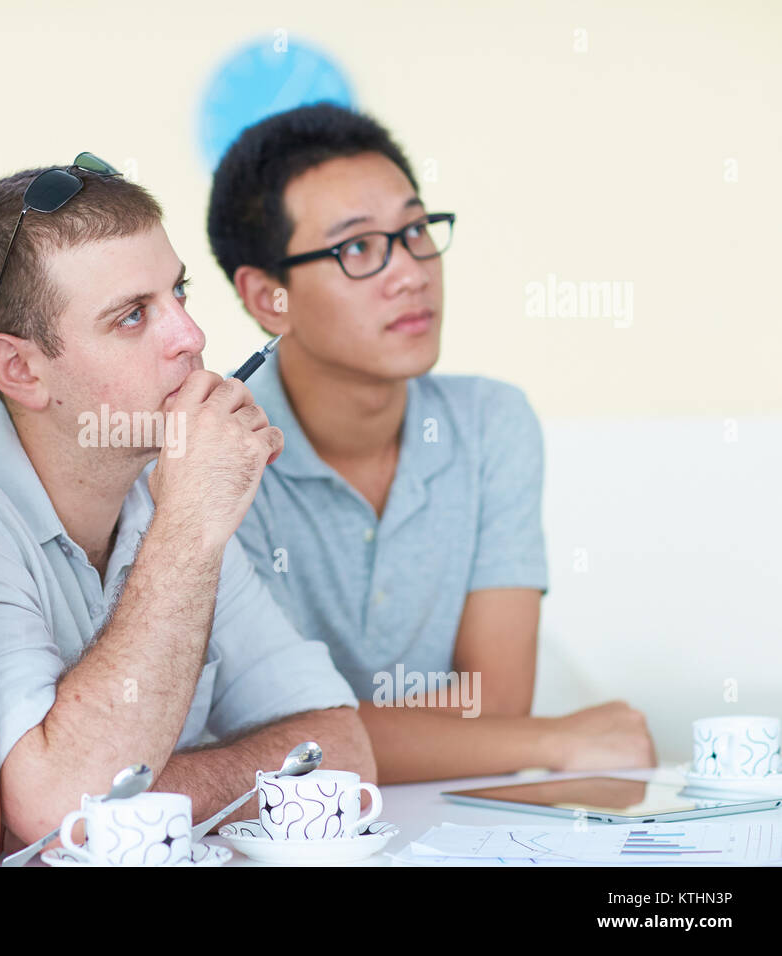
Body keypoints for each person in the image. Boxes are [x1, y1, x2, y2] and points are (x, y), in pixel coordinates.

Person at [0, 153, 375, 847]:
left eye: (179, 292)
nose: (192, 336)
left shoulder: (165, 494)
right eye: (132, 317)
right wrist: (187, 532)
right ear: (21, 370)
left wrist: (146, 799)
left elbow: (345, 749)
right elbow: (55, 812)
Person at [206, 103, 656, 782]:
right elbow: (272, 736)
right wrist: (551, 743)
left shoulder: (490, 423)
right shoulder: (217, 458)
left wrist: (335, 729)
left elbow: (498, 698)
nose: (412, 270)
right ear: (271, 298)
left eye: (415, 230)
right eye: (357, 247)